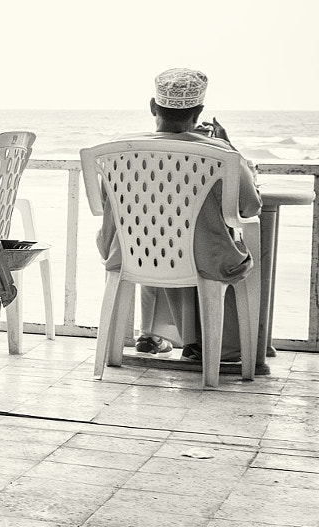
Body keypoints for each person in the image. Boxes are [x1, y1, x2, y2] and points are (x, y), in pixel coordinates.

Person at [96, 68, 260, 362]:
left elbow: (105, 200)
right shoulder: (219, 151)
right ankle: (215, 346)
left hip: (129, 254)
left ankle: (151, 335)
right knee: (216, 245)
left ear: (152, 107)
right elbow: (250, 208)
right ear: (199, 112)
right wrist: (228, 146)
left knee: (157, 239)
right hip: (202, 261)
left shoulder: (119, 149)